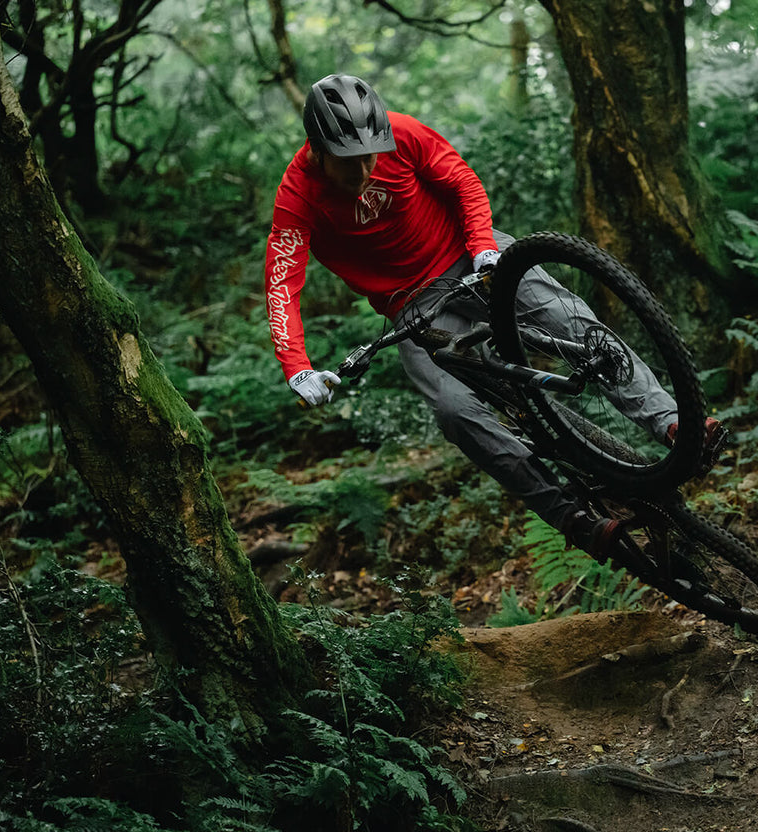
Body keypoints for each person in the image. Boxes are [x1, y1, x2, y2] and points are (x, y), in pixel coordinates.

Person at [263, 73, 718, 559]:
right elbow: (281, 282)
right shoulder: (298, 195)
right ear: (317, 149)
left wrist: (482, 247)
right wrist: (297, 367)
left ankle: (672, 423)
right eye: (349, 163)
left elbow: (461, 180)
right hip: (411, 306)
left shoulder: (404, 134)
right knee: (455, 412)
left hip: (470, 254)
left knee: (566, 319)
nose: (365, 171)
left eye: (371, 155)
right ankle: (572, 517)